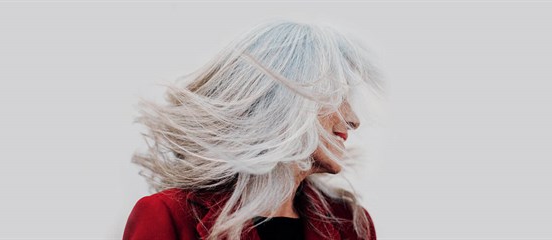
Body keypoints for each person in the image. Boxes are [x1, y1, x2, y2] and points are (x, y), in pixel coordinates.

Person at [124, 20, 383, 240]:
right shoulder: (167, 215)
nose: (352, 119)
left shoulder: (351, 225)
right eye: (337, 95)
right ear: (280, 101)